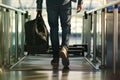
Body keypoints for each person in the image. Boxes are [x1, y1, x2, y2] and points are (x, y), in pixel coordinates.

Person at [36, 0, 83, 69]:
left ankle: (55, 58)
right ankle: (64, 48)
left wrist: (39, 6)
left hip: (51, 3)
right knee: (66, 26)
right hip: (65, 3)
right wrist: (80, 2)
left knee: (53, 29)